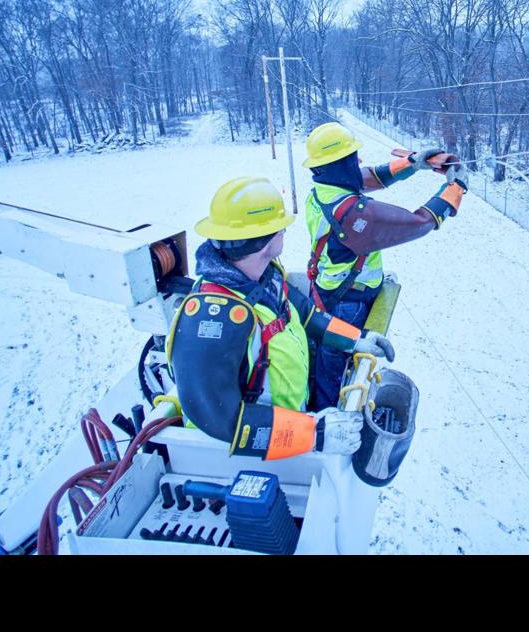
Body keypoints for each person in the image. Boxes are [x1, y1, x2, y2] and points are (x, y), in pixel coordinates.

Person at [165, 175, 397, 460]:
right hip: (243, 457)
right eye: (281, 228)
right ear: (266, 241)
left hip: (286, 435)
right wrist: (313, 433)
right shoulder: (214, 319)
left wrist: (357, 340)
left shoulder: (264, 277)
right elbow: (218, 417)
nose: (284, 233)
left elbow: (305, 313)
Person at [301, 120, 466, 410]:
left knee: (329, 367)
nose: (358, 162)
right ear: (340, 164)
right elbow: (419, 222)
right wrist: (455, 189)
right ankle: (326, 420)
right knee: (334, 375)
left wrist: (413, 163)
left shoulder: (323, 189)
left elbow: (370, 177)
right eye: (352, 158)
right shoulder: (352, 214)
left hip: (331, 294)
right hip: (347, 302)